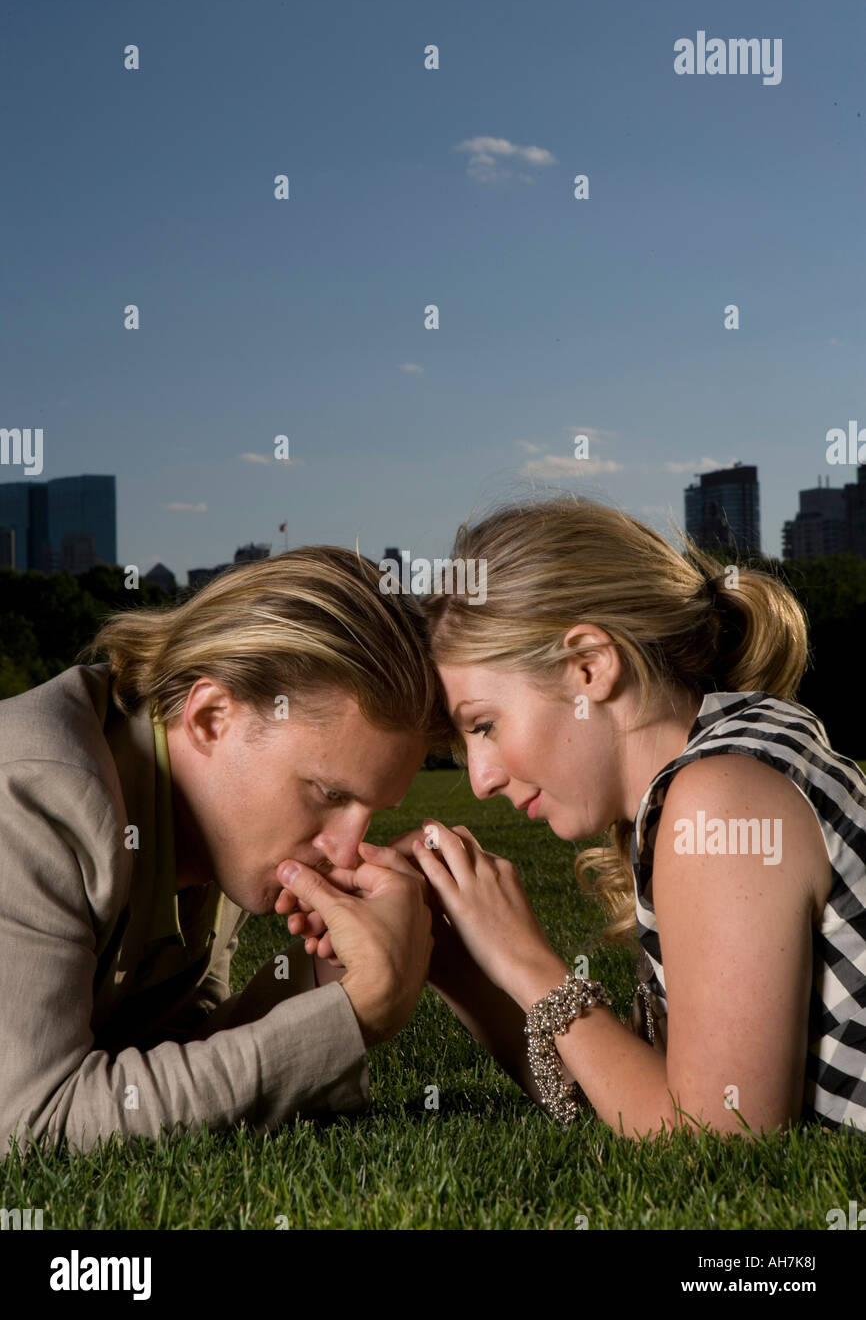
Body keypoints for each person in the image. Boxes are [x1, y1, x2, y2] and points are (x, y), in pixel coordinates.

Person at [294, 496, 866, 1138]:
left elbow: (717, 1134)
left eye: (484, 724)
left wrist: (529, 963)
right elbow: (628, 1097)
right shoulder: (716, 766)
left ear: (589, 666)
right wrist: (453, 952)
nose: (480, 779)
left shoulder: (720, 799)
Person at [0, 546, 450, 1159]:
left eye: (371, 812)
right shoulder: (35, 793)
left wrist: (330, 977)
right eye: (327, 793)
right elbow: (35, 1124)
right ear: (212, 716)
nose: (346, 851)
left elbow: (171, 1052)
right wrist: (351, 1016)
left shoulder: (212, 816)